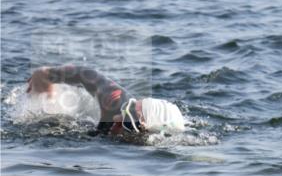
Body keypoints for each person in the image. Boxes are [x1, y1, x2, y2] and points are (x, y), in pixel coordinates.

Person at [26, 64, 185, 137]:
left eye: (129, 122)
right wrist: (46, 75)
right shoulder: (114, 102)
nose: (117, 118)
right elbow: (87, 74)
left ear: (146, 134)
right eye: (127, 109)